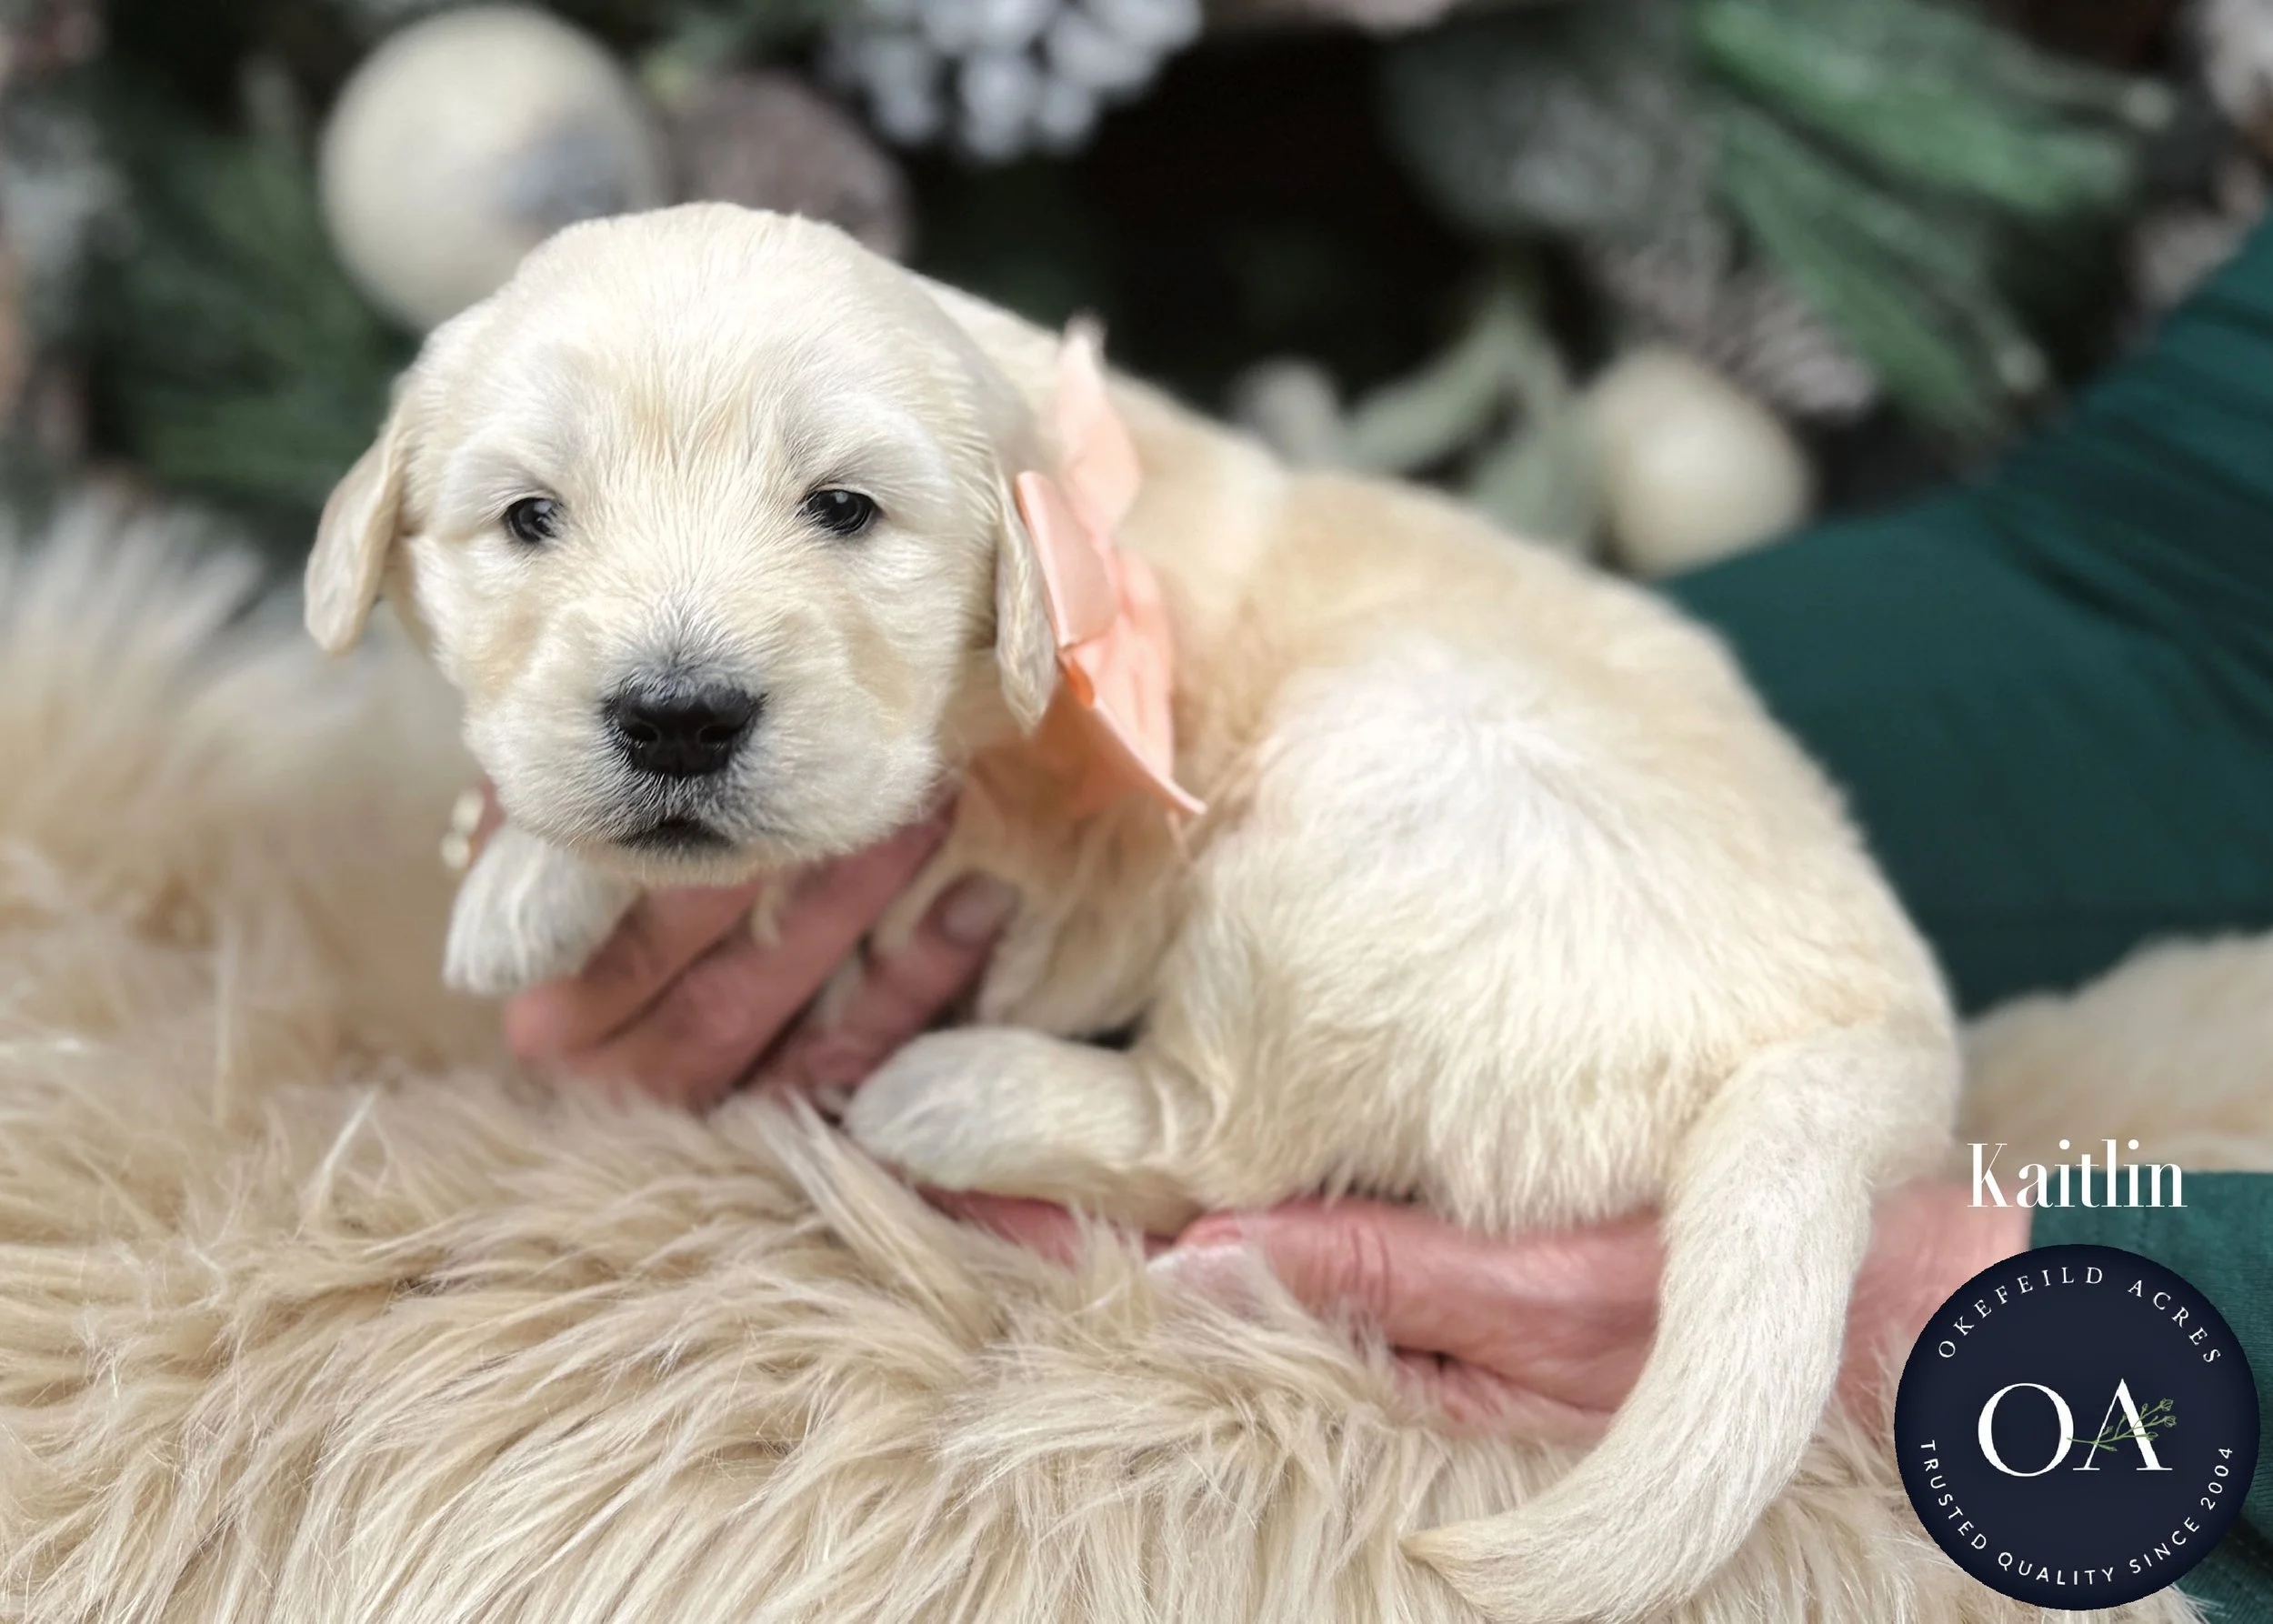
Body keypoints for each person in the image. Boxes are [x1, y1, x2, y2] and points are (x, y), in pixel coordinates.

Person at [497, 220, 2273, 1609]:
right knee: (1500, 747)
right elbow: (2166, 562)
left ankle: (1194, 1114)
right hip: (2192, 529)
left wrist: (1990, 1296)